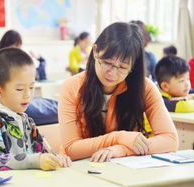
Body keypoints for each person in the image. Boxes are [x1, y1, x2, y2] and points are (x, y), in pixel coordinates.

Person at [58, 22, 178, 162]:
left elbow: (170, 140)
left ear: (133, 66)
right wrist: (119, 137)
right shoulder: (72, 87)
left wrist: (120, 150)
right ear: (96, 51)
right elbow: (71, 149)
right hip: (80, 168)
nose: (112, 73)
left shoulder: (145, 87)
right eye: (108, 63)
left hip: (123, 167)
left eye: (122, 67)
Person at [0, 48, 71, 173]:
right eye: (19, 89)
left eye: (31, 87)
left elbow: (42, 153)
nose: (28, 95)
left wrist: (57, 159)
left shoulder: (27, 121)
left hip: (24, 185)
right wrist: (35, 161)